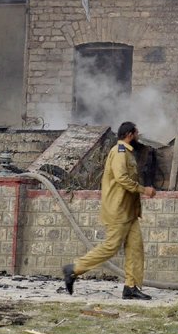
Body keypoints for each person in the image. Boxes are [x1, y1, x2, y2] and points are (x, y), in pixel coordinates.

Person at [63, 121, 157, 300]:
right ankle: (74, 269)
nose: (138, 136)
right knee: (110, 247)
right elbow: (122, 178)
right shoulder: (120, 152)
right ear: (130, 134)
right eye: (136, 133)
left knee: (135, 248)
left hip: (129, 212)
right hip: (118, 210)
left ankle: (131, 287)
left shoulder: (127, 153)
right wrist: (144, 189)